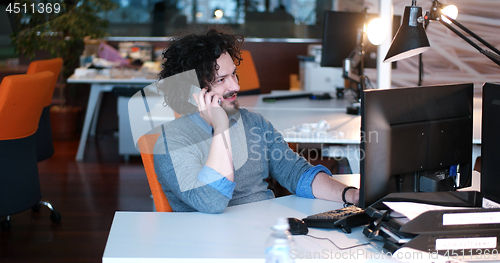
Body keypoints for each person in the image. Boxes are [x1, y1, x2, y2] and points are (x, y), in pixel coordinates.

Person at [153, 27, 359, 213]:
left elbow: (297, 173)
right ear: (193, 92)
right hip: (212, 248)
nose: (236, 87)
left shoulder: (254, 124)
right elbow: (212, 202)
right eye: (222, 80)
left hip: (265, 235)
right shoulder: (172, 142)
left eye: (234, 75)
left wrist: (350, 195)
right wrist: (221, 128)